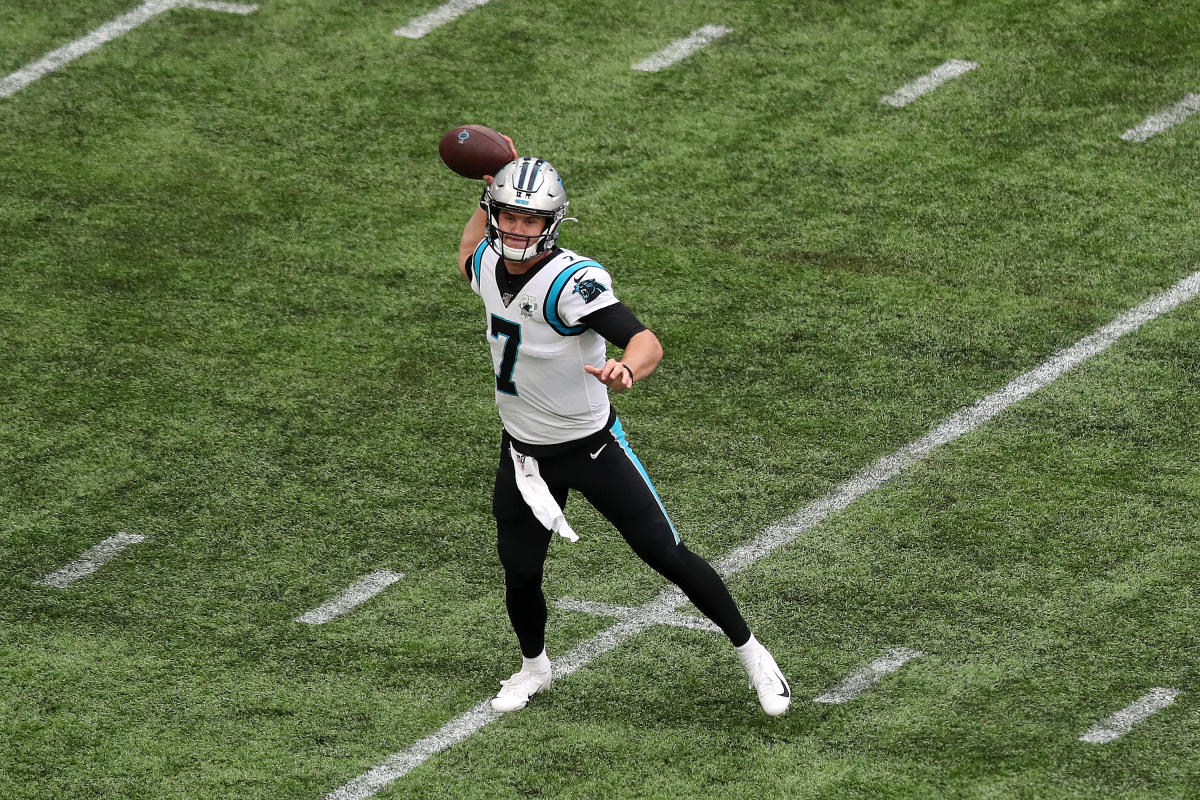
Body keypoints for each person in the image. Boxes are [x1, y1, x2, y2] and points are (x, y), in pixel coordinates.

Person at [457, 143, 790, 716]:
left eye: (529, 218)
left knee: (666, 553)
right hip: (522, 453)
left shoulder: (571, 281)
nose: (516, 228)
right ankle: (533, 667)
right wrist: (487, 187)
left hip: (591, 446)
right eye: (507, 214)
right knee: (520, 571)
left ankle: (753, 652)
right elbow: (467, 250)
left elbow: (645, 340)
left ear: (551, 223)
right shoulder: (487, 259)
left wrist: (625, 368)